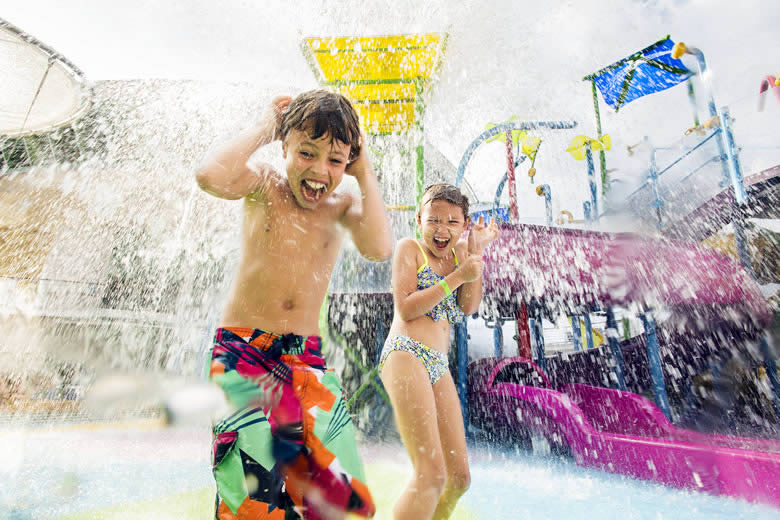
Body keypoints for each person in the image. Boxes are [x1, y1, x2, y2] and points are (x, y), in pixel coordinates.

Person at [195, 89, 392, 520]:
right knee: (253, 502)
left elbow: (379, 247)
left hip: (305, 361)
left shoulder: (342, 203)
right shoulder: (265, 184)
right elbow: (209, 176)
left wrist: (365, 170)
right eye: (307, 152)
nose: (320, 171)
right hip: (243, 351)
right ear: (284, 146)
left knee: (341, 502)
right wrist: (267, 123)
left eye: (336, 161)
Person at [379, 184, 499, 520]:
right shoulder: (411, 249)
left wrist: (474, 253)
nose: (441, 230)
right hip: (405, 353)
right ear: (419, 220)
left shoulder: (461, 256)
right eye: (433, 220)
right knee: (430, 473)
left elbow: (469, 305)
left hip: (436, 362)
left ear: (464, 225)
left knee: (459, 479)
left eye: (452, 222)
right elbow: (406, 309)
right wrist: (458, 276)